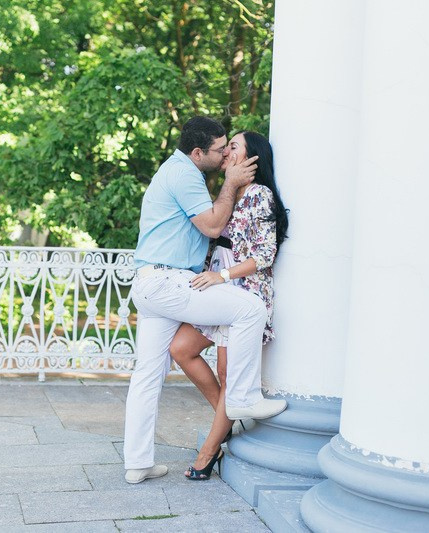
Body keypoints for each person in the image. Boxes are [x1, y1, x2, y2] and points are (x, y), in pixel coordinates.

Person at [123, 118, 287, 484]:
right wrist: (230, 183)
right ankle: (242, 398)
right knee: (251, 308)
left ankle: (137, 463)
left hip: (155, 284)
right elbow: (213, 227)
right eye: (220, 148)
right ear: (198, 153)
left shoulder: (181, 172)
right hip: (168, 281)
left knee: (148, 376)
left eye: (231, 146)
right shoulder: (184, 176)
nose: (225, 152)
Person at [169, 131, 289, 480]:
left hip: (243, 288)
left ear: (252, 160)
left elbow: (264, 256)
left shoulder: (259, 196)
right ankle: (228, 422)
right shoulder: (230, 194)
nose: (224, 154)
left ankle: (209, 451)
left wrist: (222, 277)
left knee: (227, 373)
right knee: (181, 349)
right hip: (217, 286)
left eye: (232, 148)